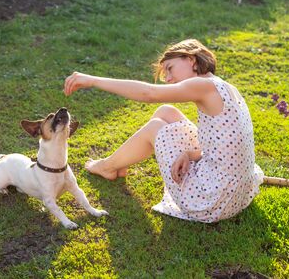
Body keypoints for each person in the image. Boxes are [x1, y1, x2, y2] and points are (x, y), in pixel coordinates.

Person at [63, 39, 264, 223]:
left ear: (191, 59)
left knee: (155, 128)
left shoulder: (203, 85)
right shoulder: (224, 86)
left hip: (213, 201)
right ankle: (118, 164)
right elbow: (226, 148)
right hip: (239, 193)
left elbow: (148, 93)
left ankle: (107, 166)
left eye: (170, 68)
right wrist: (189, 154)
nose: (167, 78)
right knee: (166, 112)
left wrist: (92, 80)